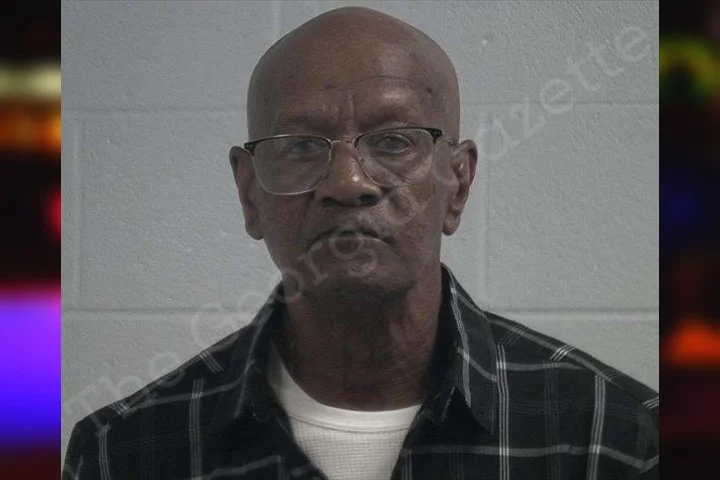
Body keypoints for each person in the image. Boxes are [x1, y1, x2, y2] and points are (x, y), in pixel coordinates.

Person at [63, 7, 658, 479]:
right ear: (249, 193)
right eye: (300, 146)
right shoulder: (124, 453)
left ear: (458, 184)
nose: (348, 182)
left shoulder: (615, 438)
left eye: (394, 141)